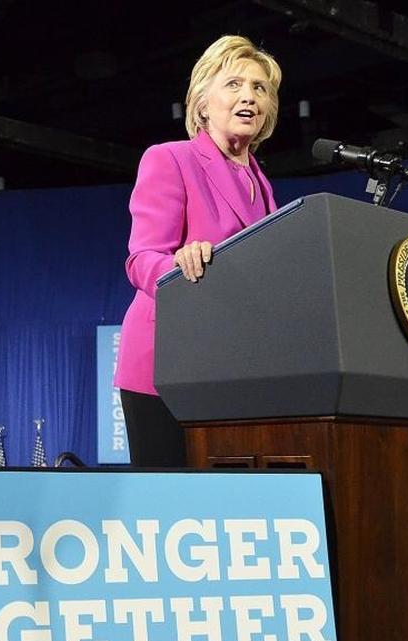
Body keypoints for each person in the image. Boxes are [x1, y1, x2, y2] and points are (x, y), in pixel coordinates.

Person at [114, 35, 282, 466]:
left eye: (260, 88)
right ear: (202, 103)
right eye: (234, 84)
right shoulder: (170, 158)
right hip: (167, 366)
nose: (249, 96)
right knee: (168, 507)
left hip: (232, 369)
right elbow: (141, 259)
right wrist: (178, 265)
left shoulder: (263, 187)